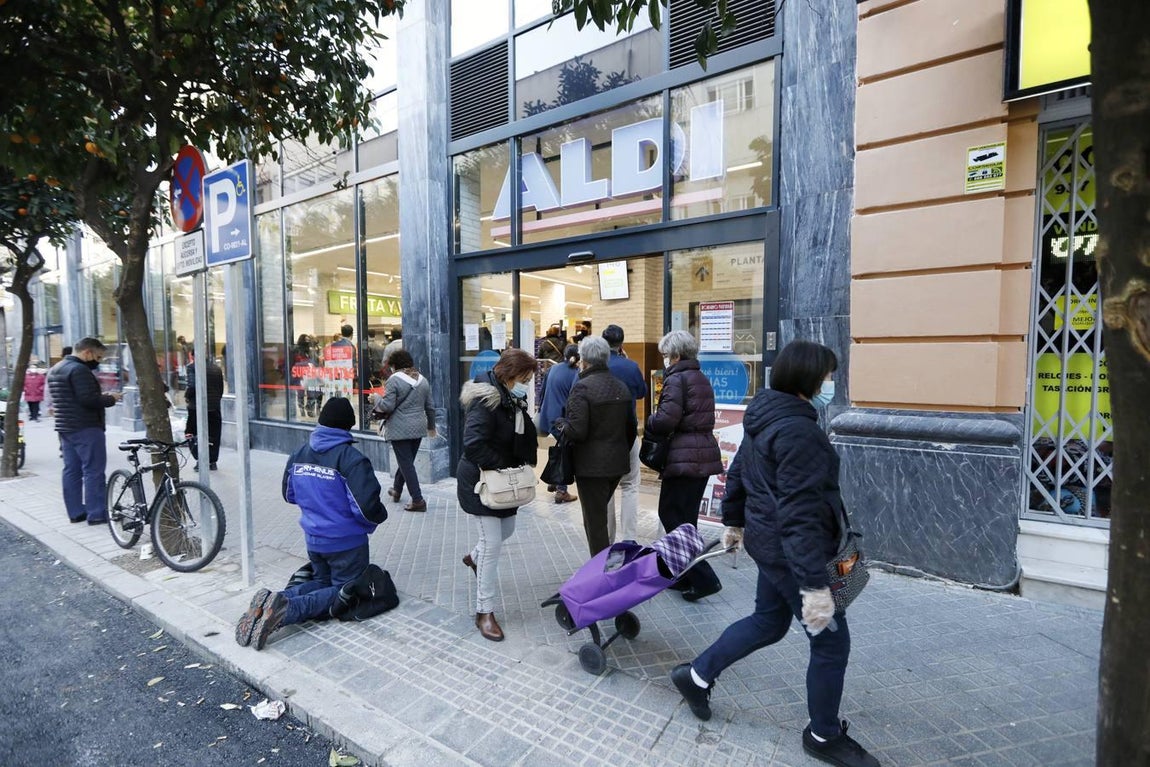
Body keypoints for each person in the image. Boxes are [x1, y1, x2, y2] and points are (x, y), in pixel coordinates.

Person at [668, 341, 878, 767]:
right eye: (828, 376)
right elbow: (800, 514)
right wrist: (815, 587)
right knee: (832, 644)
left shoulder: (766, 414)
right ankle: (823, 735)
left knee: (768, 621)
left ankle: (695, 675)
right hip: (790, 552)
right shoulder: (799, 430)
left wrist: (735, 521)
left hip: (768, 543)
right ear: (808, 379)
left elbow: (740, 470)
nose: (831, 384)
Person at [235, 397, 388, 651]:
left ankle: (275, 600)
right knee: (343, 589)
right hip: (346, 542)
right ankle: (287, 609)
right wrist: (378, 518)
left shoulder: (299, 453)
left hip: (313, 538)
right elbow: (367, 508)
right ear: (347, 426)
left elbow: (289, 494)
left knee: (321, 581)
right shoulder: (351, 459)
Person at [457, 348, 538, 642]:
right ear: (510, 374)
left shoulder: (510, 398)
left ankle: (474, 557)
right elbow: (473, 445)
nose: (527, 382)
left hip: (503, 480)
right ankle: (484, 611)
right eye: (525, 377)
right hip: (483, 482)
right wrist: (503, 465)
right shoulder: (486, 398)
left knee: (507, 529)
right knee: (492, 543)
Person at [645, 330, 723, 601]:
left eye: (666, 355)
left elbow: (667, 420)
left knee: (671, 515)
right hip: (702, 455)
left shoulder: (677, 378)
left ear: (676, 355)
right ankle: (684, 574)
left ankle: (703, 578)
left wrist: (649, 422)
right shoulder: (700, 377)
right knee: (687, 521)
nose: (665, 359)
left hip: (683, 457)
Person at [554, 337, 636, 556]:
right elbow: (631, 428)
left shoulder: (582, 388)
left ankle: (599, 571)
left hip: (591, 467)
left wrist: (561, 423)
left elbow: (577, 431)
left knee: (595, 521)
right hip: (617, 463)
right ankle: (601, 566)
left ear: (584, 360)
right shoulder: (621, 386)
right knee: (598, 514)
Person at [47, 338, 122, 525]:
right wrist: (111, 398)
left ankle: (76, 512)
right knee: (93, 470)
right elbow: (88, 400)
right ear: (87, 352)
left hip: (65, 426)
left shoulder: (57, 368)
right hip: (86, 426)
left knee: (71, 470)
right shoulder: (80, 370)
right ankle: (96, 513)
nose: (98, 361)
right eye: (98, 356)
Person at [371, 349, 436, 512]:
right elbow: (430, 407)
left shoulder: (394, 380)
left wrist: (376, 398)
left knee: (406, 464)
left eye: (391, 366)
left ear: (395, 365)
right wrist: (431, 427)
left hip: (400, 428)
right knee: (406, 462)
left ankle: (418, 500)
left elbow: (387, 406)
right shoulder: (422, 380)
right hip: (419, 427)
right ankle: (397, 490)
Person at [601, 324, 648, 543]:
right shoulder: (630, 366)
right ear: (622, 344)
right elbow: (641, 393)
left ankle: (607, 540)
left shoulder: (595, 366)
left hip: (602, 439)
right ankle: (629, 538)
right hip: (628, 435)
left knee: (606, 491)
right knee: (630, 486)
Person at [536, 344, 580, 504]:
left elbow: (541, 392)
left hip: (547, 415)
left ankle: (554, 480)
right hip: (561, 419)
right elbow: (575, 400)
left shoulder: (553, 369)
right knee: (566, 451)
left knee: (561, 448)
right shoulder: (576, 373)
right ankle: (561, 490)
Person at [184, 353, 225, 470]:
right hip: (214, 407)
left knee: (192, 434)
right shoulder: (216, 369)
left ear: (192, 356)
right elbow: (220, 388)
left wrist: (187, 396)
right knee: (214, 436)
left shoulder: (192, 367)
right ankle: (212, 462)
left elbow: (192, 386)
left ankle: (200, 460)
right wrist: (215, 401)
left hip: (196, 408)